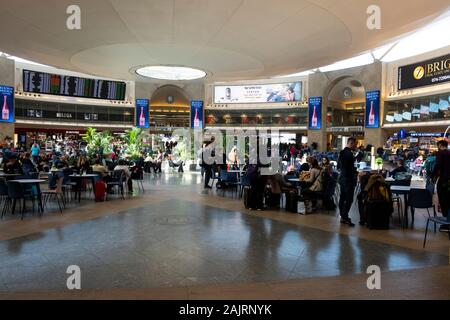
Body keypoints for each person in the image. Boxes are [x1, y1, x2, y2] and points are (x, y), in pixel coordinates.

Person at [337, 137, 357, 227]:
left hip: (342, 178)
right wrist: (357, 172)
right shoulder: (349, 154)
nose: (355, 146)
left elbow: (339, 166)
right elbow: (349, 168)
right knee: (349, 199)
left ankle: (343, 217)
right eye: (355, 144)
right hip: (348, 179)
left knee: (342, 197)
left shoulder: (341, 153)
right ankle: (344, 217)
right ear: (351, 143)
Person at [432, 140, 450, 231]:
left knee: (444, 200)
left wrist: (432, 175)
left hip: (444, 180)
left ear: (440, 145)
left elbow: (438, 165)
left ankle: (447, 223)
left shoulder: (441, 153)